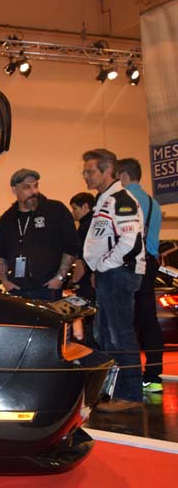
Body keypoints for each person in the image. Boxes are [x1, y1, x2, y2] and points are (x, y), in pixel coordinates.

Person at [82, 149, 145, 413]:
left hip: (119, 274)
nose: (85, 176)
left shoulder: (121, 199)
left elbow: (129, 242)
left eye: (90, 171)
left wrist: (103, 265)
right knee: (105, 335)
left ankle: (130, 395)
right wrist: (98, 269)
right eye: (84, 171)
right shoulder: (104, 200)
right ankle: (115, 392)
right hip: (109, 274)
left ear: (108, 170)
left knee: (120, 335)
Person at [0, 168, 78, 301]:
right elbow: (0, 252)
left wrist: (59, 278)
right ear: (15, 190)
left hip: (48, 288)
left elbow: (71, 246)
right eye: (26, 187)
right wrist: (5, 281)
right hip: (17, 289)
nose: (33, 192)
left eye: (35, 186)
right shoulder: (8, 218)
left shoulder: (55, 210)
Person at [118, 158, 164, 392]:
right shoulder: (154, 204)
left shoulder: (125, 200)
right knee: (149, 321)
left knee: (125, 322)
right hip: (150, 264)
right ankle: (154, 376)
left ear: (124, 175)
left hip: (131, 265)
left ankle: (129, 376)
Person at [68, 192, 96, 303]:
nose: (73, 212)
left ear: (85, 206)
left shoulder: (84, 227)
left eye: (75, 208)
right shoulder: (96, 222)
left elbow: (82, 257)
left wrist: (74, 280)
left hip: (87, 279)